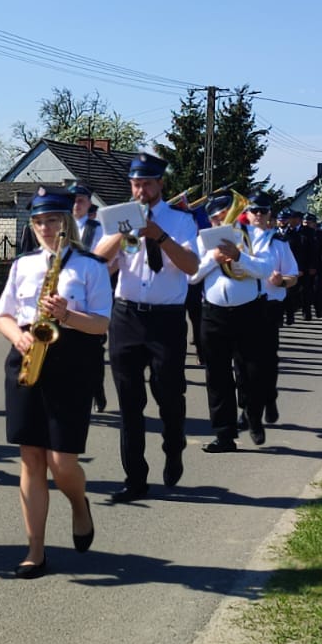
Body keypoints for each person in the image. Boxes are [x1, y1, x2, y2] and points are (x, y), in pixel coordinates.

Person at [0, 188, 113, 578]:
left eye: (52, 221)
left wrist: (67, 315)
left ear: (67, 223)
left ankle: (78, 503)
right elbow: (3, 314)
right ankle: (35, 551)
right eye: (39, 222)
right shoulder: (23, 264)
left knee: (62, 461)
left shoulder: (91, 266)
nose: (45, 228)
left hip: (72, 360)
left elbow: (101, 323)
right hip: (28, 356)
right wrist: (17, 336)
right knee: (31, 457)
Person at [92, 152, 200, 502]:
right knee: (129, 402)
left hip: (166, 318)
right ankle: (135, 478)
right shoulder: (118, 216)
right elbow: (98, 263)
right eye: (136, 184)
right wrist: (122, 233)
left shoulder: (181, 220)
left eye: (147, 184)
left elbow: (191, 267)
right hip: (127, 316)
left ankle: (173, 446)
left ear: (160, 184)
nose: (140, 190)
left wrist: (159, 236)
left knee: (169, 395)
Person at [193, 193, 276, 453]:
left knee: (253, 372)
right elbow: (191, 276)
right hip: (213, 314)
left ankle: (253, 414)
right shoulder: (203, 240)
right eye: (216, 219)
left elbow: (266, 270)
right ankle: (224, 435)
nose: (221, 223)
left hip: (249, 312)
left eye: (225, 216)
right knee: (217, 376)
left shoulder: (254, 236)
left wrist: (239, 257)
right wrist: (213, 258)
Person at [248, 198, 298, 425]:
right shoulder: (239, 241)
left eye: (262, 210)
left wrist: (281, 281)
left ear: (269, 214)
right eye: (254, 210)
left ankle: (269, 398)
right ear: (247, 213)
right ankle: (248, 406)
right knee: (243, 362)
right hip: (243, 306)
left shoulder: (279, 243)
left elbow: (293, 277)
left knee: (267, 360)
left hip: (270, 306)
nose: (258, 214)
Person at [70, 183, 108, 414]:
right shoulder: (59, 225)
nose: (76, 204)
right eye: (73, 200)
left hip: (90, 295)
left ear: (88, 203)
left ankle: (97, 390)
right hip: (66, 295)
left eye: (81, 200)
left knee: (93, 350)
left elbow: (104, 261)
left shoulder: (98, 229)